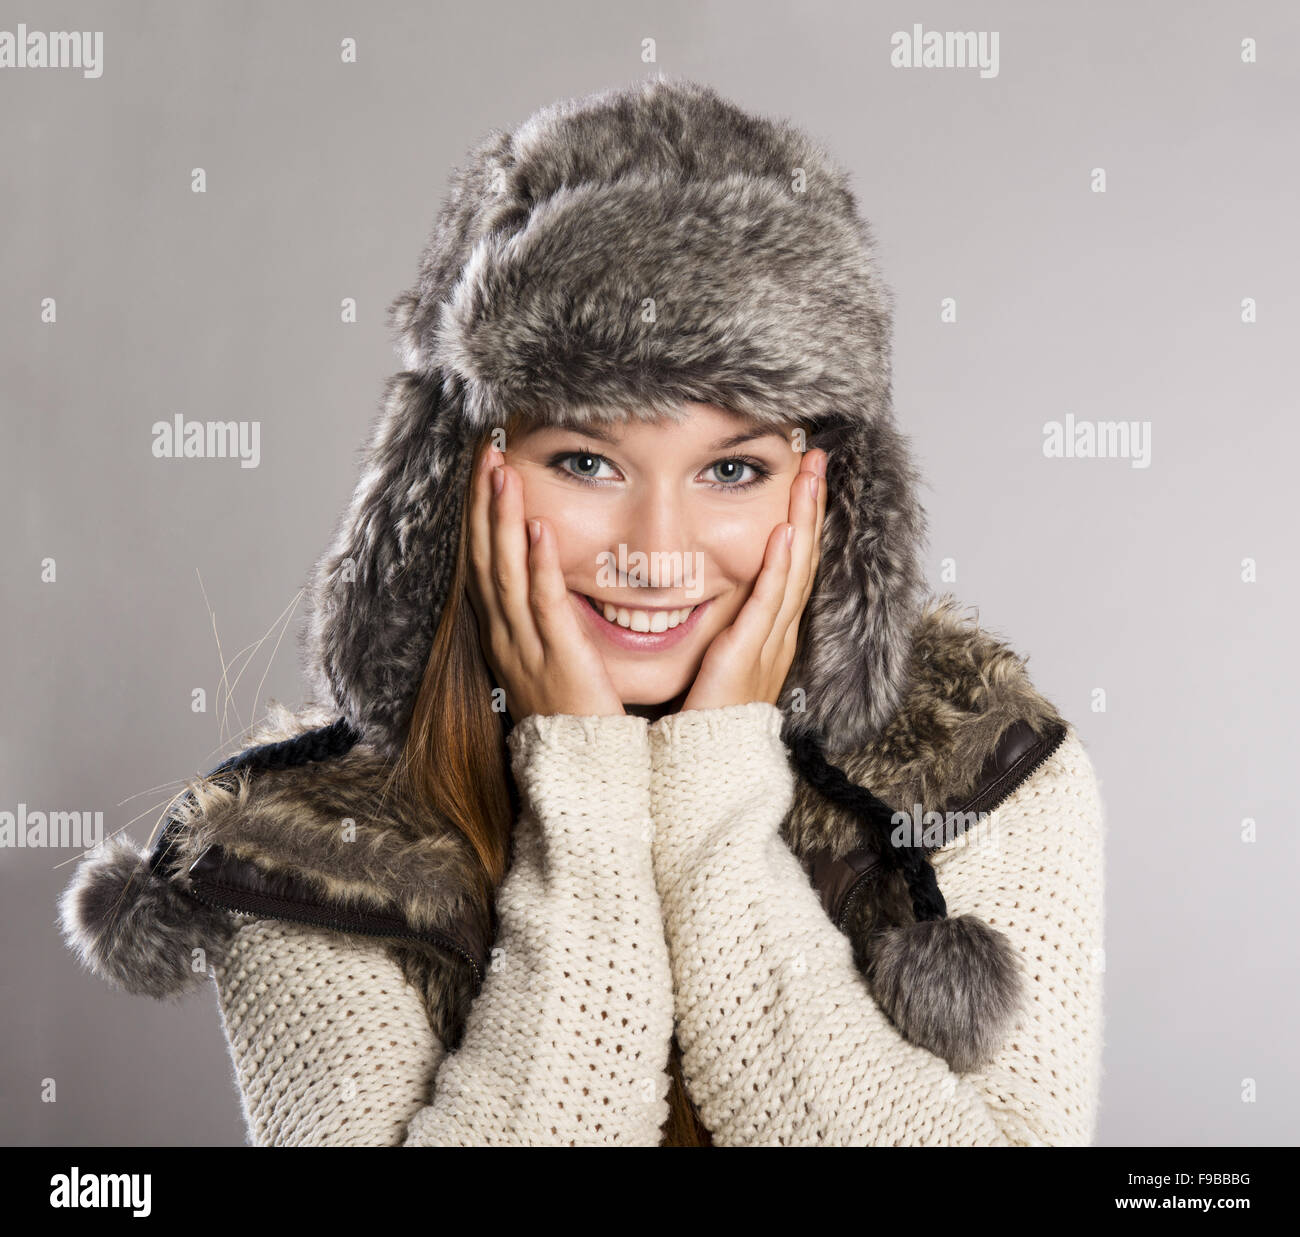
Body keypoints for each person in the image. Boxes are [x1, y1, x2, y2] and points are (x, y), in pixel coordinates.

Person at [58, 75, 1105, 1147]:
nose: (655, 552)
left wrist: (711, 797)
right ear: (458, 475)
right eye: (587, 459)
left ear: (829, 489)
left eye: (732, 468)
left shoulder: (978, 776)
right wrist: (591, 805)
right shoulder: (316, 848)